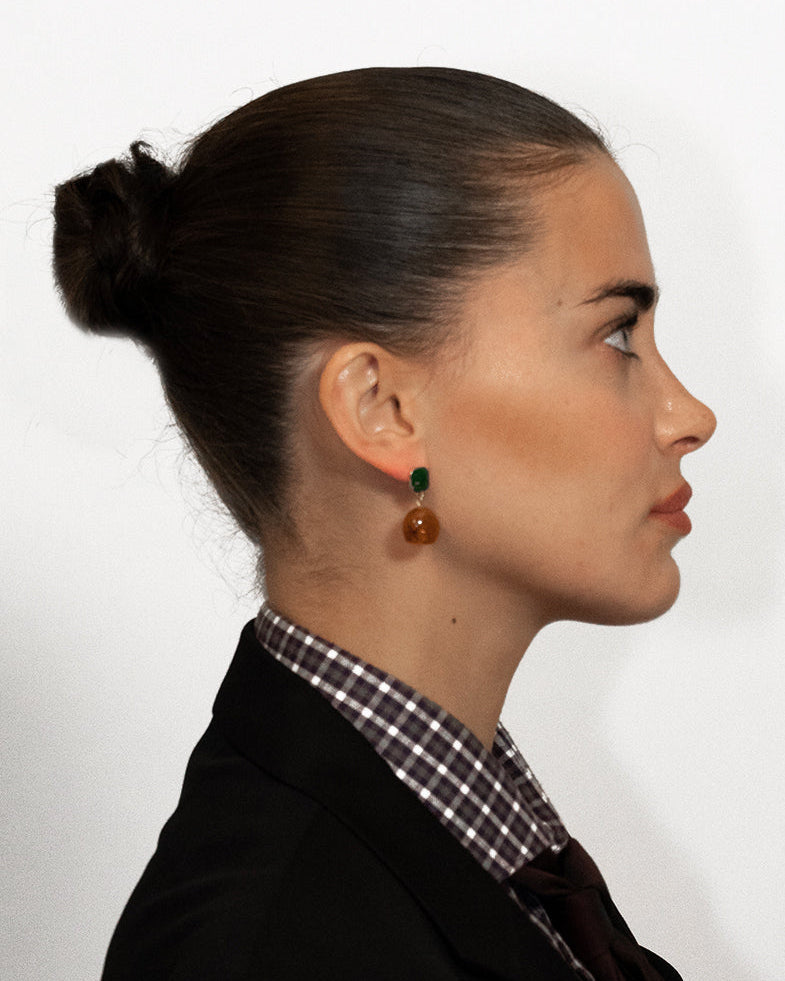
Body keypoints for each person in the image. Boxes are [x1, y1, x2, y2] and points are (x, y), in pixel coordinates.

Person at [53, 67, 715, 981]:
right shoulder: (262, 948)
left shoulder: (475, 839)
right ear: (383, 409)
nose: (689, 415)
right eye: (617, 334)